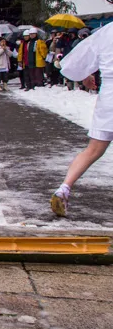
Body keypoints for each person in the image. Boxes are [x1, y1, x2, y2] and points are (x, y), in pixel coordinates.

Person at [50, 24, 112, 216]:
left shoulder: (107, 31)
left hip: (109, 96)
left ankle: (64, 187)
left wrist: (85, 75)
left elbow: (78, 59)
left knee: (93, 149)